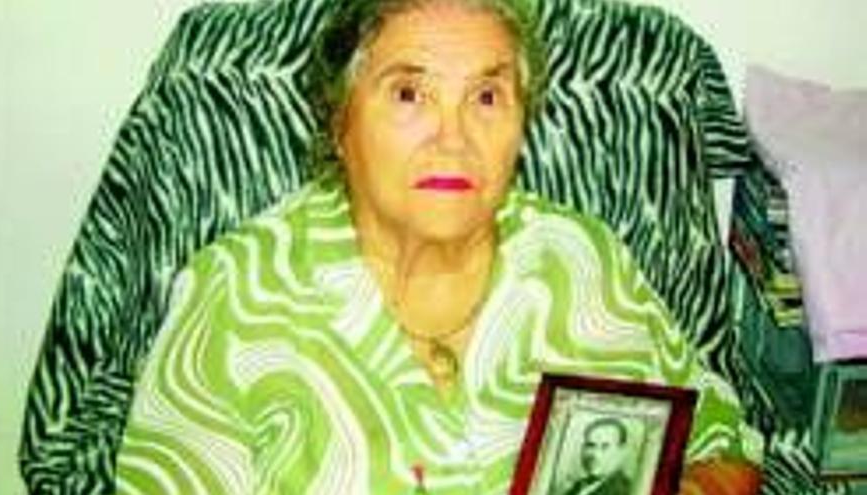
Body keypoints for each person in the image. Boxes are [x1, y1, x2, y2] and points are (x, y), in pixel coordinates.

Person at [113, 0, 761, 493]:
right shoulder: (235, 293)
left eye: (486, 96)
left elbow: (723, 444)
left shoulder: (581, 259)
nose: (453, 139)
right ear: (340, 121)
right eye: (409, 93)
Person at [562, 417, 632, 495]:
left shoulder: (625, 491)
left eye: (604, 447)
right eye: (590, 445)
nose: (595, 454)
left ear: (621, 452)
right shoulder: (578, 486)